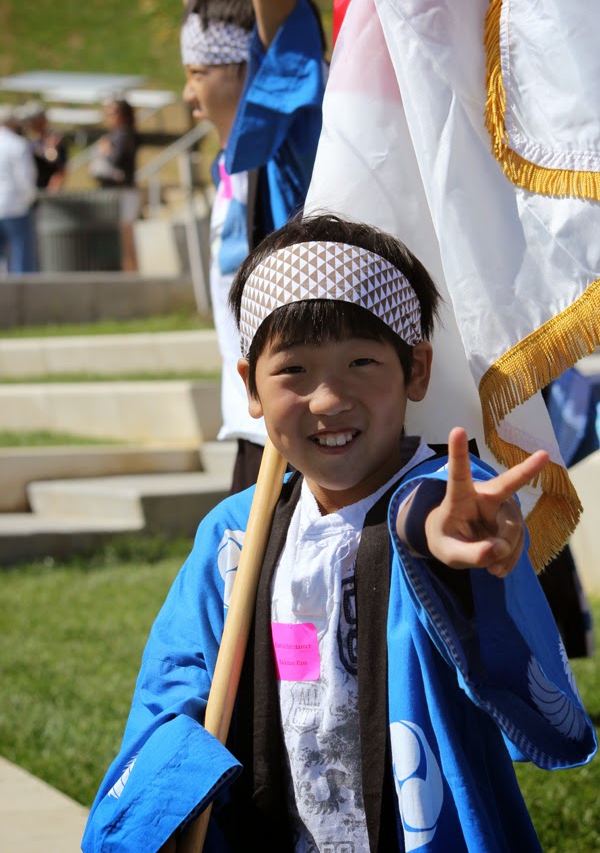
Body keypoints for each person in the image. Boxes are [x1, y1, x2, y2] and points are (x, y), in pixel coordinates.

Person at [81, 213, 596, 853]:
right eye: (293, 370)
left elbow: (424, 518)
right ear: (250, 387)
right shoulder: (236, 536)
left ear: (416, 370)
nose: (328, 399)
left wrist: (444, 549)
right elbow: (175, 680)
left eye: (361, 361)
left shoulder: (442, 495)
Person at [170, 0, 326, 493]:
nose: (188, 93)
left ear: (257, 70)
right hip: (253, 425)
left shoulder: (285, 144)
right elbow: (204, 8)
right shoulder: (233, 163)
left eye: (198, 74)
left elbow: (281, 28)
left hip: (302, 431)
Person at [89, 98, 141, 271]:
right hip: (115, 192)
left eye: (113, 113)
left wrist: (105, 151)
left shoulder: (125, 134)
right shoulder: (116, 135)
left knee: (126, 237)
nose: (109, 116)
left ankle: (131, 274)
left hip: (124, 192)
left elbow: (116, 160)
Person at [0, 104, 37, 273]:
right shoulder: (18, 144)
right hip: (15, 207)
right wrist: (30, 200)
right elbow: (25, 180)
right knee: (21, 256)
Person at [19, 101, 68, 192]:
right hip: (30, 190)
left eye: (33, 120)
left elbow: (60, 169)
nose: (29, 123)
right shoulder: (28, 141)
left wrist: (51, 191)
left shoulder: (54, 139)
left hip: (46, 192)